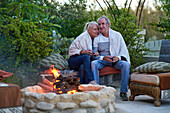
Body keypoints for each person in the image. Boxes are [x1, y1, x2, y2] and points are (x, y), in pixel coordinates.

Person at [91, 16, 130, 101]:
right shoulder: (97, 38)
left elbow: (124, 50)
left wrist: (118, 58)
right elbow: (94, 55)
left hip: (115, 61)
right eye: (99, 24)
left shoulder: (117, 35)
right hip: (103, 61)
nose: (101, 26)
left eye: (103, 24)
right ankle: (97, 90)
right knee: (93, 63)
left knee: (125, 65)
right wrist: (103, 57)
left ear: (108, 24)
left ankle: (123, 92)